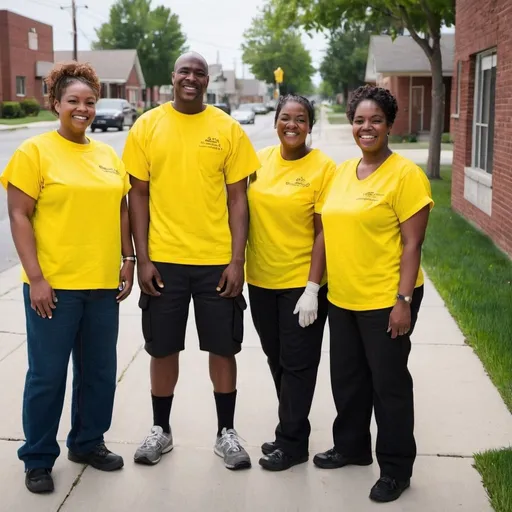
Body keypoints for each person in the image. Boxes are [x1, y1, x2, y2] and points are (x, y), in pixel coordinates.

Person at [1, 62, 134, 494]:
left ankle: (87, 442)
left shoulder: (106, 154)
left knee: (98, 371)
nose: (82, 108)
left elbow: (121, 208)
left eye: (89, 102)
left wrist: (127, 257)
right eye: (73, 101)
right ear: (55, 103)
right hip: (53, 288)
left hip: (100, 285)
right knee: (47, 375)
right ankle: (38, 457)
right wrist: (36, 278)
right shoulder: (34, 152)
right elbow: (19, 214)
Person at [123, 51, 260, 470]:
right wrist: (142, 258)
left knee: (223, 349)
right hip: (163, 262)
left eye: (200, 73)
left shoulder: (227, 129)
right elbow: (137, 196)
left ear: (207, 81)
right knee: (162, 349)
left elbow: (239, 199)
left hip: (216, 262)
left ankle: (226, 434)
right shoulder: (147, 125)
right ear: (172, 76)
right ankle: (160, 431)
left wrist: (237, 261)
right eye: (184, 70)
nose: (191, 78)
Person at [315, 85, 434, 503]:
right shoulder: (344, 172)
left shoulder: (406, 176)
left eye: (376, 121)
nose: (367, 128)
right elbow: (328, 229)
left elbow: (413, 245)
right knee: (347, 381)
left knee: (389, 386)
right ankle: (351, 448)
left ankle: (396, 469)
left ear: (389, 125)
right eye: (360, 121)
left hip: (386, 300)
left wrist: (403, 302)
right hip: (343, 297)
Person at [246, 94, 336, 471]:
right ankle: (292, 426)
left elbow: (323, 232)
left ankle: (292, 442)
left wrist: (313, 288)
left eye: (301, 119)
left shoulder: (324, 168)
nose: (292, 125)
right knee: (276, 357)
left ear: (310, 126)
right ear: (276, 121)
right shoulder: (260, 161)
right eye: (286, 118)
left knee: (299, 363)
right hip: (261, 280)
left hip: (303, 284)